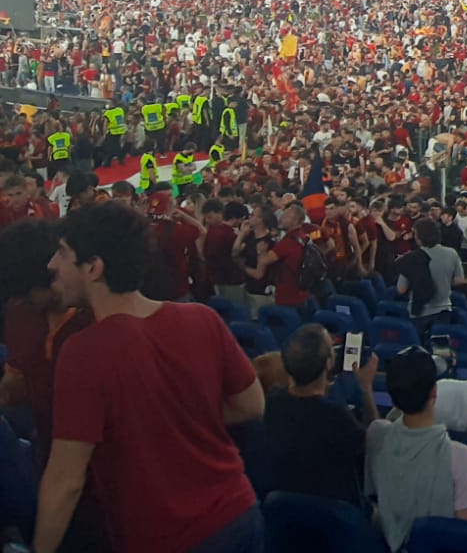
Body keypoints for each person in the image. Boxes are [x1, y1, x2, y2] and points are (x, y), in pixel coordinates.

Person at [35, 202, 266, 553]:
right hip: (238, 515)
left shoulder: (83, 353)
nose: (52, 265)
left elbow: (66, 480)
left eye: (63, 253)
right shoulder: (202, 319)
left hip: (167, 537)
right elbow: (251, 405)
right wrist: (178, 422)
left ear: (94, 267)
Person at [364, 346, 467, 550]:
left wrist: (365, 387)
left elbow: (379, 426)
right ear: (434, 392)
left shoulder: (376, 434)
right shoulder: (461, 457)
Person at [0, 219, 92, 472]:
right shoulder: (20, 312)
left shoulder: (93, 319)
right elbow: (14, 382)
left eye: (28, 293)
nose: (22, 301)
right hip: (47, 446)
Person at [263, 324, 378, 506]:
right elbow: (372, 445)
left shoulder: (273, 401)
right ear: (328, 363)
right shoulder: (336, 417)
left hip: (290, 512)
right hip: (341, 513)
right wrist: (366, 388)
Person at [397, 217, 466, 338]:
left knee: (420, 353)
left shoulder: (410, 258)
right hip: (443, 311)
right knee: (441, 351)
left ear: (419, 237)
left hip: (418, 312)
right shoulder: (452, 253)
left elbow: (401, 289)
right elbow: (459, 280)